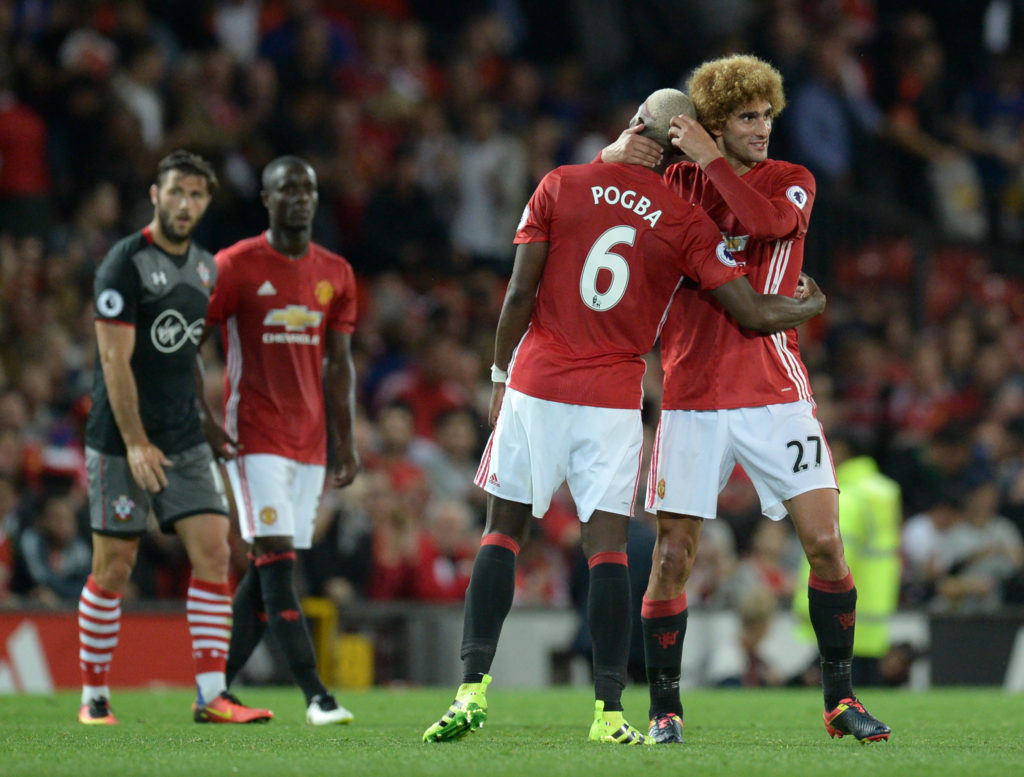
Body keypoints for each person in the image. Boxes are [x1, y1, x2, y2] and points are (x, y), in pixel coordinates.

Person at [422, 88, 826, 746]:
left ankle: (470, 689)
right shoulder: (686, 215)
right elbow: (751, 312)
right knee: (608, 548)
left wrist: (498, 378)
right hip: (612, 394)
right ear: (681, 148)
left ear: (635, 125)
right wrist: (806, 309)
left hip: (537, 380)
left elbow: (519, 291)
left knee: (502, 534)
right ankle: (609, 712)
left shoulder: (560, 183)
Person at [602, 53, 891, 744]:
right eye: (745, 117)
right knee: (673, 555)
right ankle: (666, 708)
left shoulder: (792, 181)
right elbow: (602, 188)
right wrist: (621, 143)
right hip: (692, 395)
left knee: (824, 541)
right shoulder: (673, 181)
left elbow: (762, 224)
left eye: (766, 115)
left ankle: (840, 698)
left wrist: (709, 157)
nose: (761, 128)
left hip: (775, 393)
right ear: (713, 122)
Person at [79, 150, 272, 725]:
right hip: (120, 437)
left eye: (196, 195)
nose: (184, 204)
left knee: (215, 552)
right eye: (176, 193)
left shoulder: (207, 269)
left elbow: (185, 354)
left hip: (185, 435)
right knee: (115, 564)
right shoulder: (124, 264)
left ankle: (212, 694)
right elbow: (115, 363)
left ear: (205, 203)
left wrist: (207, 422)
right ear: (155, 195)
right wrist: (136, 442)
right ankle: (94, 698)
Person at [203, 156, 360, 725]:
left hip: (310, 443)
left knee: (268, 568)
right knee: (276, 561)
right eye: (286, 189)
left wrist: (345, 442)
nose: (299, 197)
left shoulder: (336, 273)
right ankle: (317, 695)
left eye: (308, 189)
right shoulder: (235, 265)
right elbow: (192, 339)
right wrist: (205, 417)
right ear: (266, 200)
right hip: (254, 436)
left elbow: (338, 365)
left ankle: (213, 691)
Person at [792, 431, 902, 687]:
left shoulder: (847, 496)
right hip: (875, 612)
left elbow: (831, 556)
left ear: (842, 451)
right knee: (867, 692)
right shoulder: (884, 492)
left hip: (842, 610)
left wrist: (804, 603)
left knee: (838, 695)